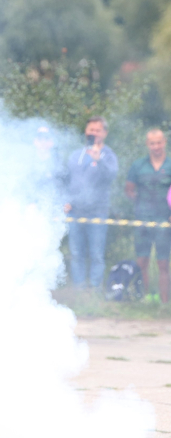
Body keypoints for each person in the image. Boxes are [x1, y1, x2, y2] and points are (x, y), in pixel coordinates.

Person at [65, 116, 118, 289]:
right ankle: (79, 291)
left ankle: (95, 291)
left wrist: (98, 160)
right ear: (86, 131)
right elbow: (68, 180)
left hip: (98, 211)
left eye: (97, 130)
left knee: (96, 254)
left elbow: (111, 176)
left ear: (105, 133)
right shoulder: (76, 155)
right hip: (75, 211)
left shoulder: (108, 155)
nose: (93, 133)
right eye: (90, 130)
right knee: (76, 253)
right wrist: (66, 201)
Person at [127, 129, 171, 302]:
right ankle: (143, 299)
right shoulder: (138, 165)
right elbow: (129, 188)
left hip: (164, 220)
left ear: (164, 142)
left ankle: (164, 302)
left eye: (159, 142)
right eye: (152, 143)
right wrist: (134, 196)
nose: (156, 146)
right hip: (142, 219)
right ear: (148, 144)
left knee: (163, 263)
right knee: (142, 261)